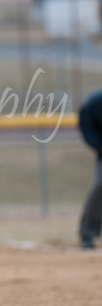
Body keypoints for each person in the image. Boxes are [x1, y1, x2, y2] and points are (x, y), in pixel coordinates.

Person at [77, 89, 102, 249]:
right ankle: (88, 232)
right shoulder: (96, 102)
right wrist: (99, 145)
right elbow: (85, 120)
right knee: (101, 186)